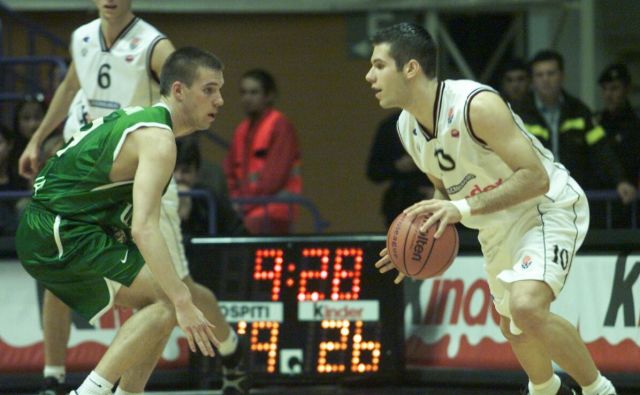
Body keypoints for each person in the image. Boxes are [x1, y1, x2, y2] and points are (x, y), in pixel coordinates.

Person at [368, 23, 617, 395]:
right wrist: (416, 233)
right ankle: (547, 390)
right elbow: (445, 183)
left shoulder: (476, 105)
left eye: (378, 65)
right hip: (495, 223)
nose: (369, 75)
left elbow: (534, 177)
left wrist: (462, 208)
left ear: (410, 69)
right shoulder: (406, 127)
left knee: (527, 308)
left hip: (544, 207)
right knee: (511, 324)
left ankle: (599, 390)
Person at [18, 2, 249, 394]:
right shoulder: (158, 141)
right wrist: (181, 300)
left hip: (67, 222)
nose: (220, 101)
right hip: (60, 228)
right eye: (210, 91)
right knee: (168, 299)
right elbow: (143, 227)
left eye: (220, 91)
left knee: (163, 299)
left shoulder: (145, 117)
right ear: (178, 90)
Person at [517, 50, 635, 227]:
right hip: (532, 203)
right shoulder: (519, 114)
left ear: (562, 76)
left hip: (572, 200)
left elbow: (601, 149)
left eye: (551, 73)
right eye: (539, 75)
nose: (545, 79)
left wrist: (620, 180)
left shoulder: (579, 110)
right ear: (532, 80)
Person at [224, 69, 302, 235]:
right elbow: (229, 173)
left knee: (242, 229)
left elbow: (273, 179)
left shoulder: (279, 125)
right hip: (248, 207)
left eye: (254, 92)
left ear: (268, 96)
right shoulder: (241, 130)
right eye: (243, 92)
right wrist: (235, 201)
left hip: (275, 208)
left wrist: (243, 205)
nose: (247, 98)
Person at [366, 111, 433, 226]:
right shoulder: (391, 126)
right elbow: (373, 171)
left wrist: (444, 195)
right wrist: (397, 166)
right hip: (402, 203)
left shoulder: (446, 123)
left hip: (443, 203)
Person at [175, 135, 246, 236]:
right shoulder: (152, 200)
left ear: (196, 174)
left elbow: (238, 233)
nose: (178, 177)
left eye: (186, 171)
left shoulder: (210, 201)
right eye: (172, 170)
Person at [596, 63, 640, 227]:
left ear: (626, 90)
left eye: (614, 88)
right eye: (605, 89)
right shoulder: (595, 123)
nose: (609, 95)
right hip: (601, 205)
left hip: (631, 204)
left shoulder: (636, 124)